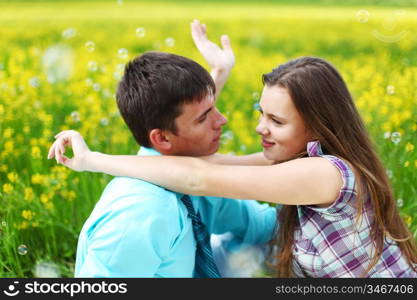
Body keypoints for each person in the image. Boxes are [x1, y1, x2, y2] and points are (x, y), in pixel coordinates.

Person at [49, 26, 417, 277]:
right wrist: (216, 77)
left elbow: (198, 175)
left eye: (276, 120)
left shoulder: (325, 174)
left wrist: (91, 160)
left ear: (317, 126)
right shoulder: (301, 160)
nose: (259, 128)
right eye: (262, 114)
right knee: (230, 242)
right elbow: (193, 163)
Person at [52, 22, 277, 278]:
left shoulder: (199, 177)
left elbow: (260, 226)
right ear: (162, 139)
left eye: (214, 107)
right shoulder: (142, 214)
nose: (222, 120)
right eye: (204, 118)